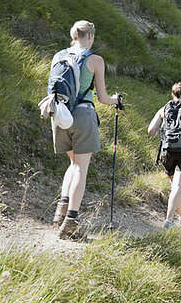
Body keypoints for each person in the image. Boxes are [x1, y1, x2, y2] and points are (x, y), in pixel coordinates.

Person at [51, 20, 122, 240]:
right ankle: (71, 222)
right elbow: (102, 97)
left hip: (60, 115)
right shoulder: (95, 60)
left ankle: (61, 211)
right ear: (89, 36)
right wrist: (116, 100)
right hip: (82, 114)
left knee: (73, 164)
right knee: (81, 167)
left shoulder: (58, 56)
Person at [148, 82, 181, 228]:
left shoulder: (164, 109)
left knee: (175, 187)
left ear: (172, 94)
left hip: (167, 151)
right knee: (177, 187)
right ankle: (169, 220)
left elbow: (151, 129)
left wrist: (163, 135)